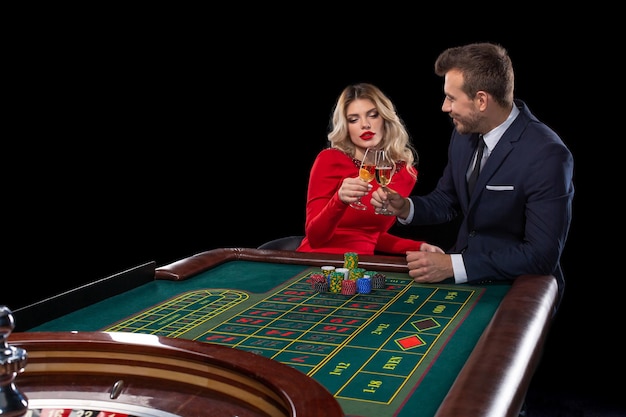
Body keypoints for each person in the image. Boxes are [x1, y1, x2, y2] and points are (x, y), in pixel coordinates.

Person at [371, 42, 574, 308]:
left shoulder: (547, 154)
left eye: (452, 98)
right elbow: (447, 200)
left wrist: (454, 265)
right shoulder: (463, 134)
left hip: (519, 290)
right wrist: (405, 206)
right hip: (465, 281)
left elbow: (541, 256)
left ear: (481, 100)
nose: (445, 107)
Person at [296, 83, 443, 256]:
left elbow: (371, 235)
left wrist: (417, 246)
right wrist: (339, 200)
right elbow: (315, 237)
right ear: (346, 127)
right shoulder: (330, 160)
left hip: (361, 267)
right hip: (317, 263)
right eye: (353, 119)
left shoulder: (405, 174)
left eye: (373, 116)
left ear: (385, 119)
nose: (365, 125)